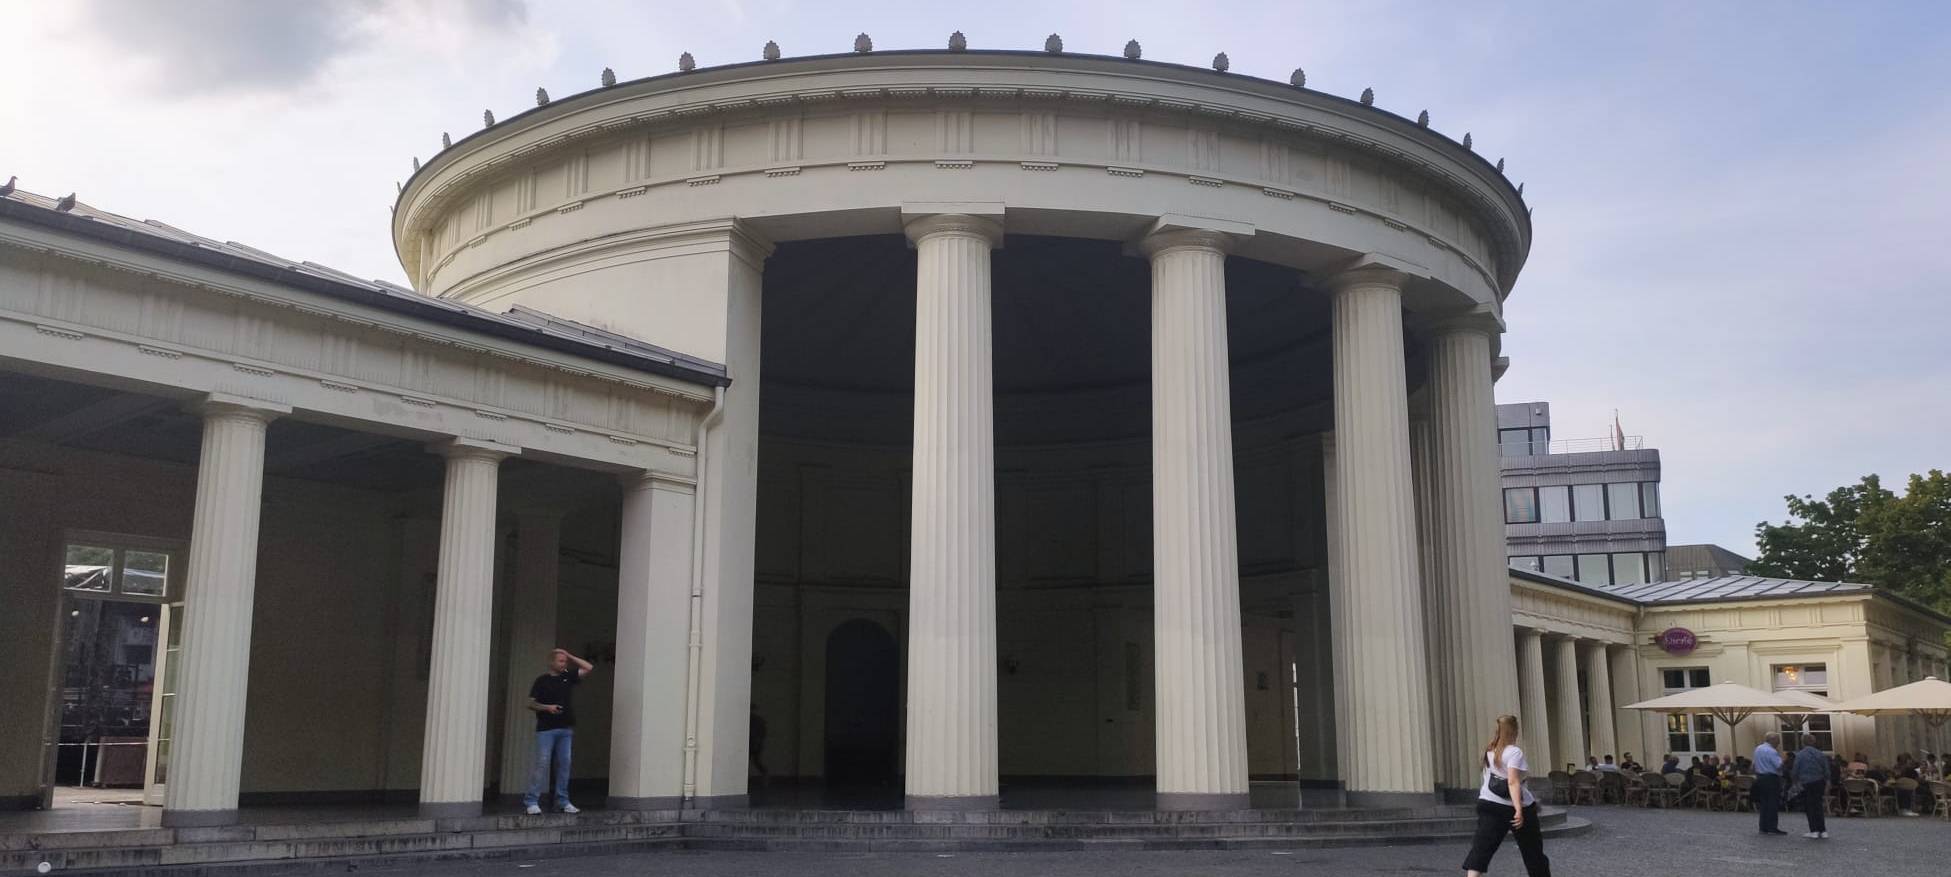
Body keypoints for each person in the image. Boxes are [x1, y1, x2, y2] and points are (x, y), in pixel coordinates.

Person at [1463, 714, 1551, 877]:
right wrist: (1518, 809)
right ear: (1514, 732)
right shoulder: (1514, 752)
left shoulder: (1489, 750)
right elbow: (1513, 782)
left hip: (1488, 802)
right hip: (1517, 806)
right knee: (1532, 851)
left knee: (1481, 849)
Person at [523, 647, 593, 815]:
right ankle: (531, 801)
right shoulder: (542, 681)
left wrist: (568, 654)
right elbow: (531, 703)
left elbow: (588, 667)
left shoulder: (567, 677)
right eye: (561, 661)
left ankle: (563, 800)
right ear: (551, 662)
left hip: (565, 728)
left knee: (565, 764)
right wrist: (547, 708)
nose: (564, 664)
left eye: (565, 661)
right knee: (542, 763)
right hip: (546, 729)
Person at [1792, 741, 1829, 839]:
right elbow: (1826, 769)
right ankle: (1823, 830)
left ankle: (1814, 830)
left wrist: (1795, 780)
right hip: (1819, 781)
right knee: (1818, 805)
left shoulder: (1800, 755)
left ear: (1803, 743)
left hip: (1806, 782)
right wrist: (1827, 780)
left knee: (1809, 806)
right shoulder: (1820, 754)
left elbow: (1795, 769)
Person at [1753, 732, 1786, 835]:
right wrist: (1784, 760)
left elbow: (1753, 765)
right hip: (1771, 778)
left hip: (1760, 777)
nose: (1779, 743)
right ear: (1772, 740)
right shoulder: (1771, 751)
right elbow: (1778, 765)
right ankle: (1772, 827)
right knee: (1772, 803)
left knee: (1764, 803)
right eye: (1778, 740)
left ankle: (1763, 827)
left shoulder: (1758, 749)